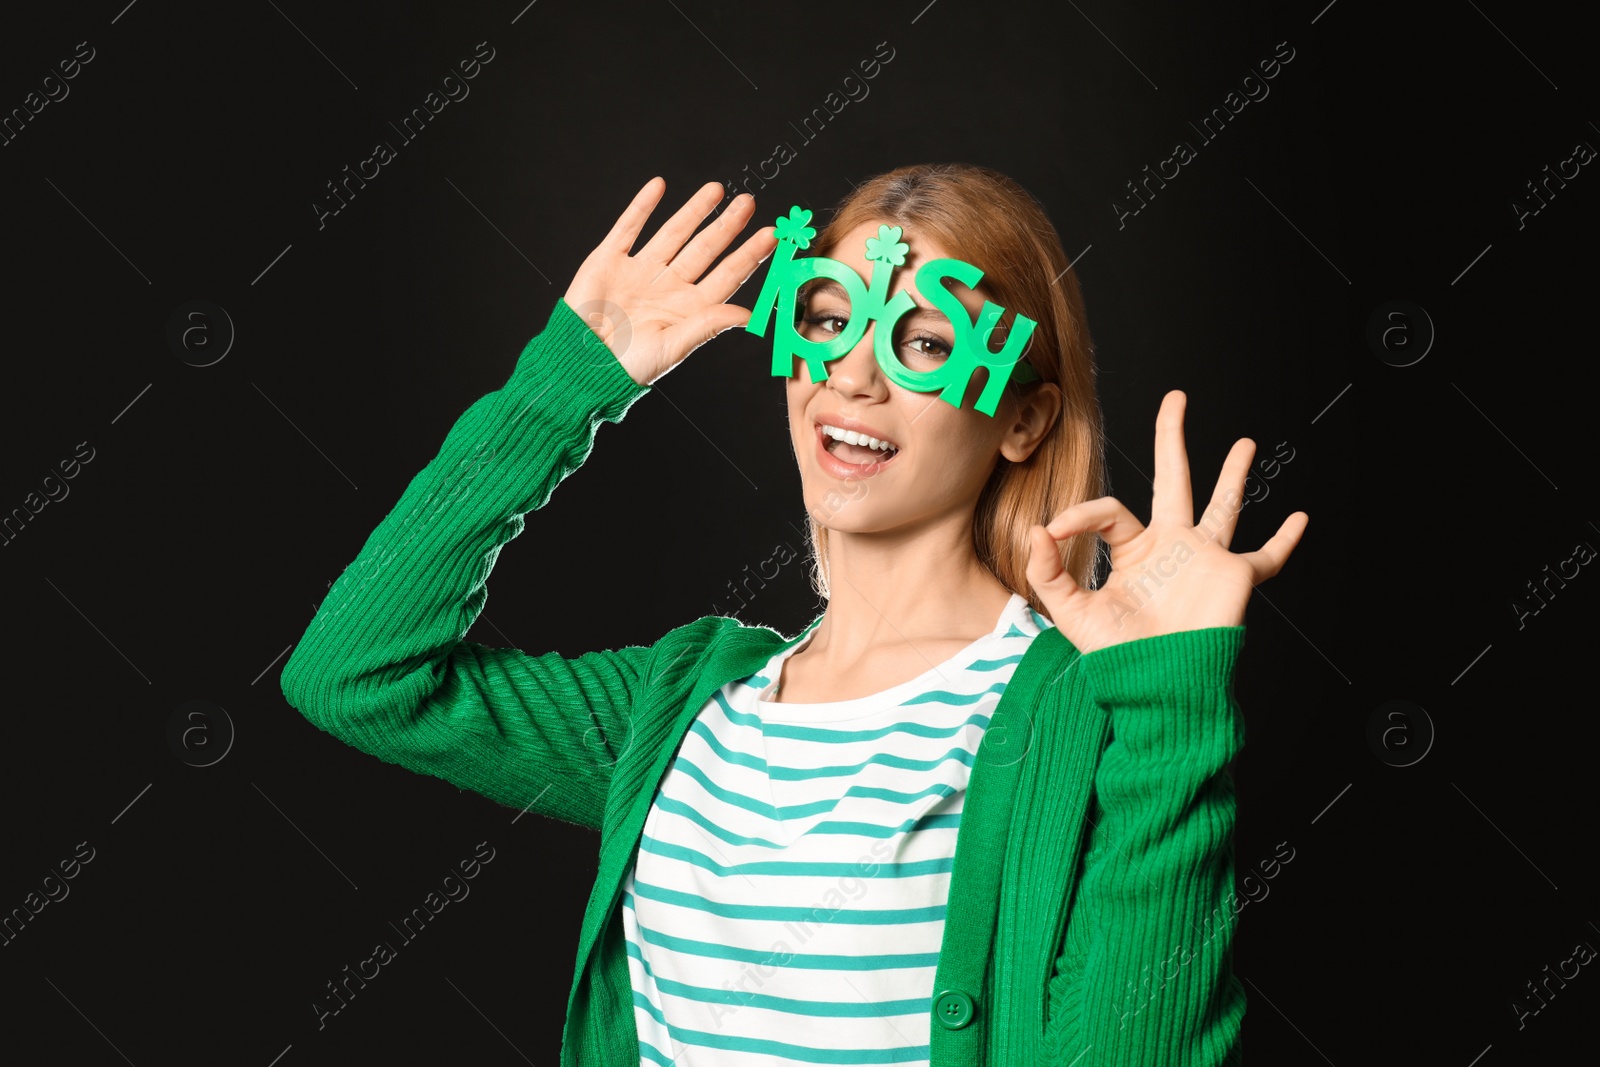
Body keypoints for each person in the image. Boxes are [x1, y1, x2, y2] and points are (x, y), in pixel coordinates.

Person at [280, 163, 1307, 1067]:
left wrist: (1171, 704)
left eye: (925, 341)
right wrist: (562, 389)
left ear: (1021, 419)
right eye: (828, 317)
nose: (854, 376)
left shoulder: (1071, 712)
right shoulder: (679, 708)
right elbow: (355, 673)